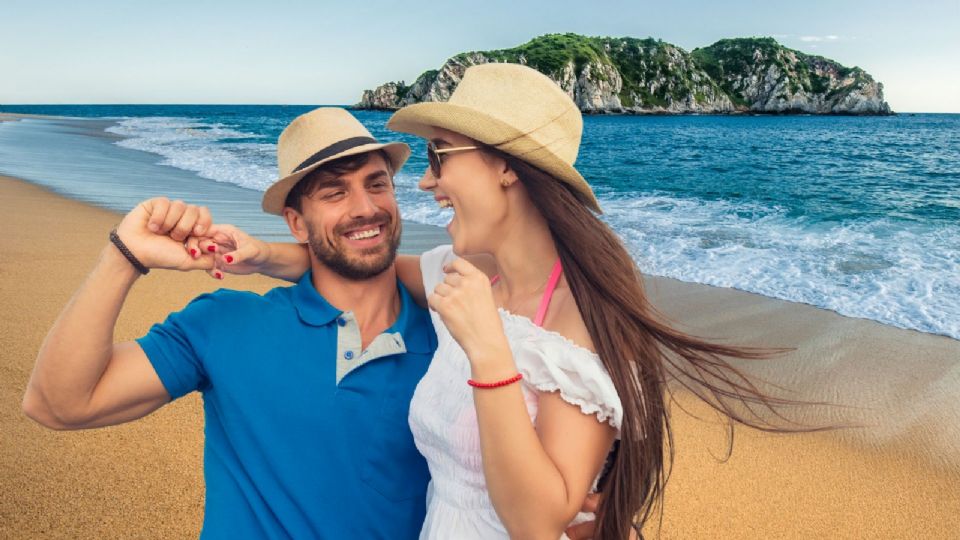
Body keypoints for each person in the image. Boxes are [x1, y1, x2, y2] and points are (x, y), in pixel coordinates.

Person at [205, 64, 797, 539]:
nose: (425, 181)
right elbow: (374, 268)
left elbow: (538, 525)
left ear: (506, 168)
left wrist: (491, 356)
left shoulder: (574, 325)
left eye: (440, 155)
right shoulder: (473, 279)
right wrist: (264, 256)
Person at [21, 107, 438, 538]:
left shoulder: (453, 339)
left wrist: (270, 256)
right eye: (334, 193)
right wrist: (124, 257)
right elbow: (58, 404)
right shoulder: (225, 323)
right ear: (296, 223)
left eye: (377, 185)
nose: (366, 208)